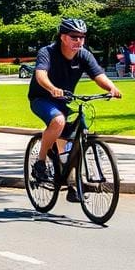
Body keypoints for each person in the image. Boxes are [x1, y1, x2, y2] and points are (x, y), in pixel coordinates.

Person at [28, 18, 122, 197]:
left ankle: (73, 184)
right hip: (42, 98)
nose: (79, 41)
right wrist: (51, 88)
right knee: (58, 121)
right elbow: (40, 74)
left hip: (64, 99)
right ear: (63, 37)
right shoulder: (47, 52)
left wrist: (111, 87)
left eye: (82, 37)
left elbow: (98, 74)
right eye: (74, 37)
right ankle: (40, 162)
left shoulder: (83, 55)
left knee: (74, 140)